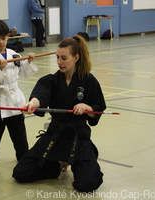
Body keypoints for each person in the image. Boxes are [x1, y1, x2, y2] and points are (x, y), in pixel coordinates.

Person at [12, 35, 106, 192]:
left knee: (86, 184)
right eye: (57, 57)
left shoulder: (89, 81)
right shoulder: (52, 80)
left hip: (78, 135)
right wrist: (32, 104)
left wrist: (87, 107)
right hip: (55, 133)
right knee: (21, 173)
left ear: (76, 57)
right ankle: (54, 165)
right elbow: (41, 95)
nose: (59, 62)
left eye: (64, 58)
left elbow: (98, 107)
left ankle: (88, 154)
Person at [0, 20, 38, 169]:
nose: (0, 42)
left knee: (19, 131)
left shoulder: (14, 54)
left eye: (3, 38)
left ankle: (23, 155)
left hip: (14, 99)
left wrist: (29, 61)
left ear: (8, 37)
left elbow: (25, 72)